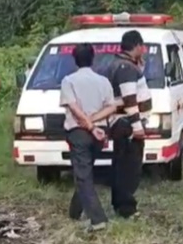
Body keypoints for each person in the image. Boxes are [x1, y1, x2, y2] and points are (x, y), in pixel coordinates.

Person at [60, 44, 117, 232]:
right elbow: (111, 107)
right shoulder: (103, 81)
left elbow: (74, 108)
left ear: (75, 60)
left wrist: (87, 123)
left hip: (79, 133)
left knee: (83, 175)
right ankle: (75, 211)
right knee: (85, 170)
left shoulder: (69, 81)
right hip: (100, 132)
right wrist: (94, 121)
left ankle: (98, 219)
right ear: (92, 59)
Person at [106, 30, 151, 218]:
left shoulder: (121, 64)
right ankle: (126, 208)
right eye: (143, 47)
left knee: (121, 164)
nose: (144, 50)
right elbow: (130, 99)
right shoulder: (126, 68)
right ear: (138, 46)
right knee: (129, 168)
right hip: (127, 125)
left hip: (122, 123)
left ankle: (119, 204)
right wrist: (137, 127)